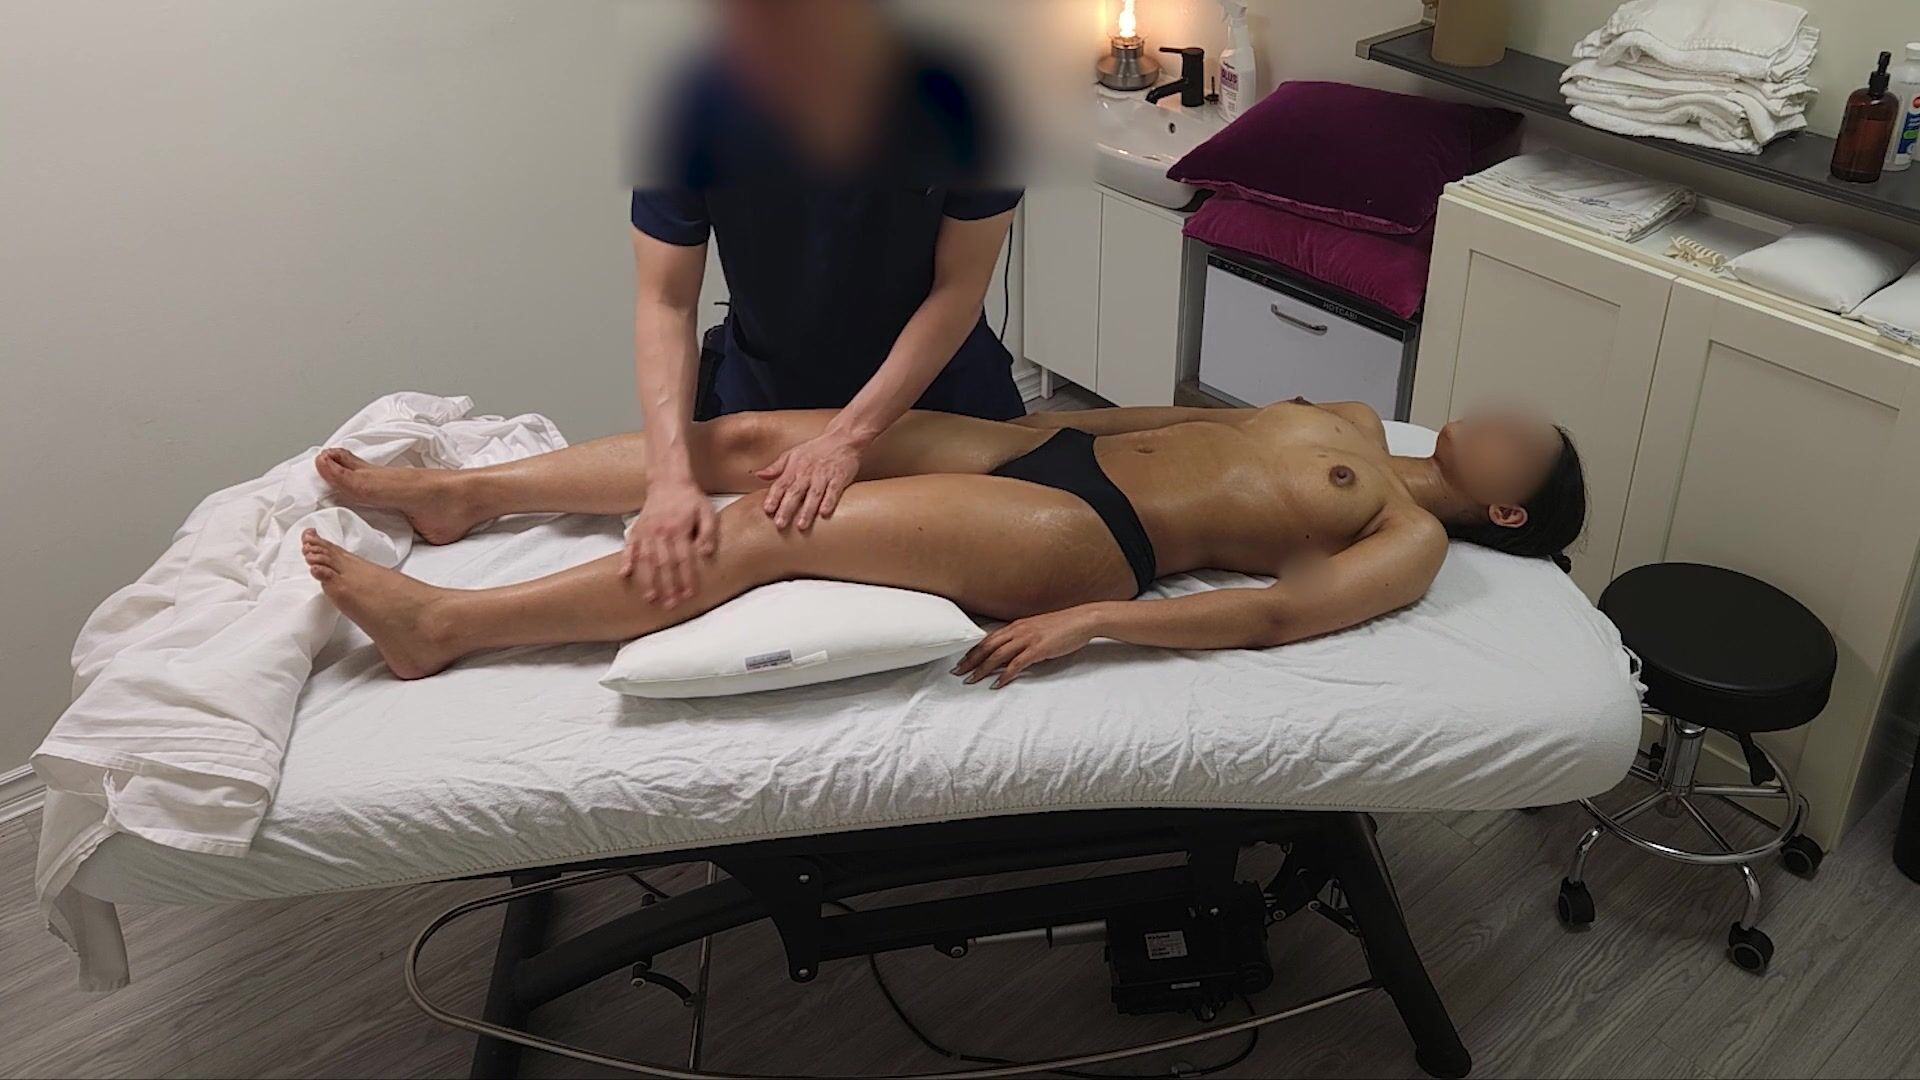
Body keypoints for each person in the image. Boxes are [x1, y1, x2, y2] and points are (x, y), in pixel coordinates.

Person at [305, 399, 1587, 688]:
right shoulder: (1353, 414)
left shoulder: (1406, 534)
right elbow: (1180, 420)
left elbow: (1276, 615)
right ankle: (465, 496)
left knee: (767, 530)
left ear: (1510, 511)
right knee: (756, 439)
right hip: (1052, 449)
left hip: (1090, 533)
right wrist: (1032, 427)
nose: (1510, 414)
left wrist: (1101, 621)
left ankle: (446, 626)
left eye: (1527, 442)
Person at [627, 0, 1023, 605]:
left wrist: (848, 437)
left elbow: (959, 290)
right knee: (746, 588)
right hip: (768, 399)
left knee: (964, 602)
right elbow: (665, 302)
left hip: (937, 404)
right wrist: (668, 476)